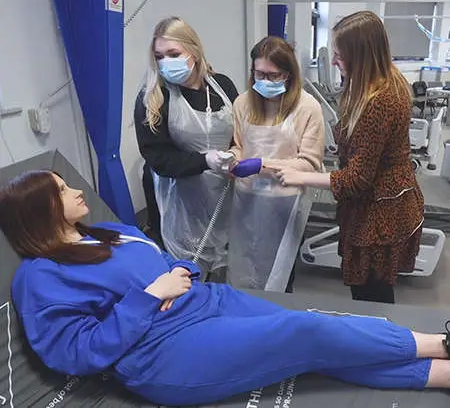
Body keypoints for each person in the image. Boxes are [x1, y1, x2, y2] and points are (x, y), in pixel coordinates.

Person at [2, 170, 450, 407]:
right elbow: (75, 354)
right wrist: (147, 297)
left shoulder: (106, 230)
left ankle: (442, 374)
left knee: (315, 343)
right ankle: (439, 345)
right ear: (40, 212)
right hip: (163, 351)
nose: (78, 190)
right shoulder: (41, 277)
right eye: (63, 190)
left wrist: (182, 274)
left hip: (207, 302)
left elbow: (164, 261)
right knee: (306, 334)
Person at [273, 11, 424, 304]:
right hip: (389, 200)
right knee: (374, 292)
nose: (333, 61)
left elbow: (357, 179)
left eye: (339, 55)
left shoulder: (379, 101)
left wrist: (301, 175)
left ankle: (383, 346)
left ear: (361, 56)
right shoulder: (386, 82)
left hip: (379, 212)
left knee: (372, 297)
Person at [134, 16, 239, 280]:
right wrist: (205, 161)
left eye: (173, 54)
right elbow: (157, 157)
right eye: (159, 56)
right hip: (181, 201)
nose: (166, 62)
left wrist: (237, 152)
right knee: (189, 277)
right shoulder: (154, 97)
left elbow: (241, 132)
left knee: (227, 271)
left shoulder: (222, 86)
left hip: (225, 194)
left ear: (194, 51)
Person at [226, 36, 325, 291]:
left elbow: (310, 163)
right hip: (246, 201)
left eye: (274, 75)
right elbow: (238, 144)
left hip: (285, 202)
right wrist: (232, 159)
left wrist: (262, 164)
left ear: (289, 75)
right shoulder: (243, 103)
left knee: (280, 274)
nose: (265, 81)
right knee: (245, 265)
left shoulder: (307, 107)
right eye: (259, 74)